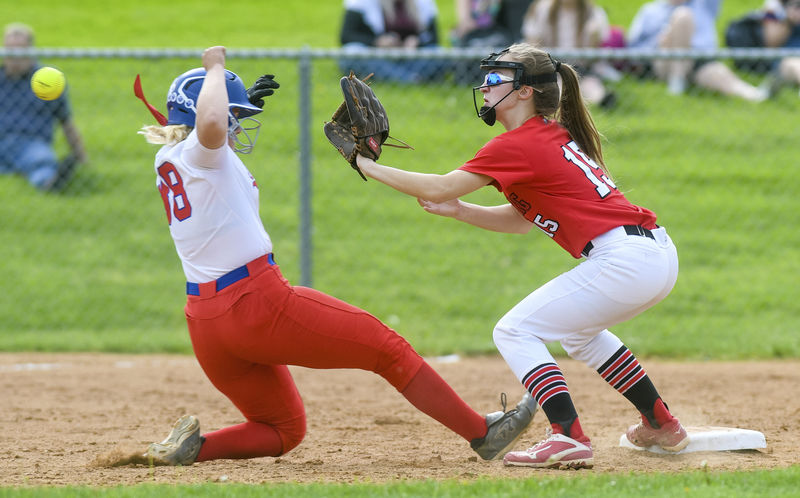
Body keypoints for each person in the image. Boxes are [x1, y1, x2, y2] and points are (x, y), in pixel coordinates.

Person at [135, 45, 536, 466]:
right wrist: (215, 66)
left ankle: (191, 450)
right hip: (254, 302)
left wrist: (234, 101)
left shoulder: (172, 157)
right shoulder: (205, 152)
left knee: (283, 429)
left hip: (205, 322)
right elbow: (213, 123)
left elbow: (208, 128)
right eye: (234, 118)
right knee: (388, 349)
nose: (236, 127)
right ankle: (482, 433)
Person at [353, 43, 690, 469]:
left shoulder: (520, 142)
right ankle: (660, 423)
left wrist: (366, 164)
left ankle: (567, 435)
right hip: (651, 254)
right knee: (578, 335)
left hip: (625, 258)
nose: (485, 86)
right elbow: (522, 219)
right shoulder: (546, 135)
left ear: (526, 91)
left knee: (513, 331)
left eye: (496, 79)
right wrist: (460, 211)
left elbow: (437, 186)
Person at [0, 23, 87, 192]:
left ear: (31, 52)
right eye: (10, 51)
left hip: (31, 143)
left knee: (42, 160)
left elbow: (66, 121)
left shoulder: (47, 81)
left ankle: (50, 183)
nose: (15, 57)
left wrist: (81, 157)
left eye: (21, 51)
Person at [627, 0, 769, 101]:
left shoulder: (703, 5)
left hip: (698, 61)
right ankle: (677, 82)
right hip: (664, 61)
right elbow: (634, 48)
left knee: (719, 73)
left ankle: (756, 96)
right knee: (683, 15)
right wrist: (660, 41)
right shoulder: (651, 10)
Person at [521, 0, 620, 108]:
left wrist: (593, 37)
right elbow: (533, 42)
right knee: (558, 82)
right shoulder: (543, 9)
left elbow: (593, 55)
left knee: (590, 85)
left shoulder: (593, 12)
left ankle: (601, 99)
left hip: (581, 67)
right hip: (552, 66)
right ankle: (564, 100)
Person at [338, 0, 443, 83]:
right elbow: (347, 36)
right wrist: (377, 42)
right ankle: (411, 79)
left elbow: (434, 38)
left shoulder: (424, 3)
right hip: (378, 56)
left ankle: (397, 76)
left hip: (412, 56)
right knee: (352, 53)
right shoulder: (360, 2)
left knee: (439, 54)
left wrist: (417, 42)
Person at [762, 0, 800, 96]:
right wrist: (788, 20)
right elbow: (771, 43)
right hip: (785, 62)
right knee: (794, 64)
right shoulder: (773, 6)